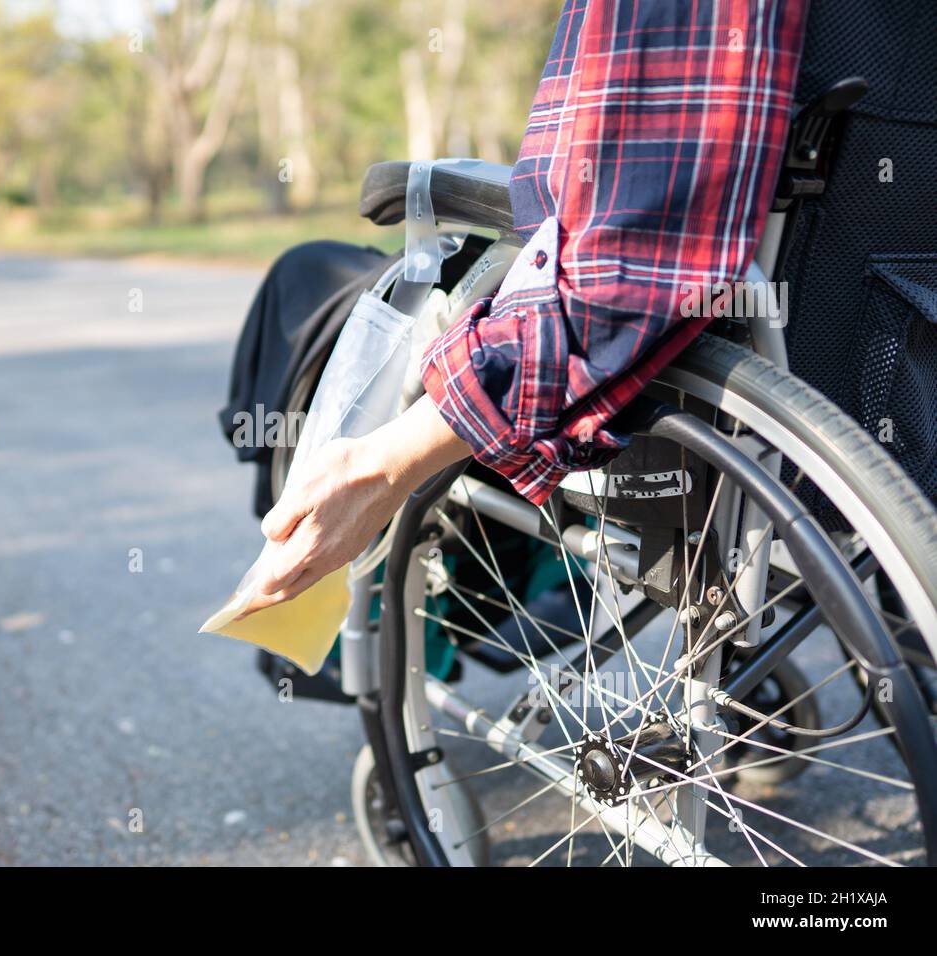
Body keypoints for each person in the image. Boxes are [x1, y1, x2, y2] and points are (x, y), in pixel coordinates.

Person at [241, 0, 809, 615]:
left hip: (663, 364)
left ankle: (408, 603)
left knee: (305, 277)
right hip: (859, 382)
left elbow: (621, 277)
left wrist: (384, 466)